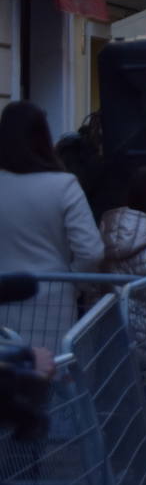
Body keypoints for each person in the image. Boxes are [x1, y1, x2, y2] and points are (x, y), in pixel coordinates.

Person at [0, 101, 105, 350]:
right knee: (54, 380)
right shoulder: (64, 185)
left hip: (3, 300)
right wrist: (74, 282)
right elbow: (91, 252)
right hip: (52, 304)